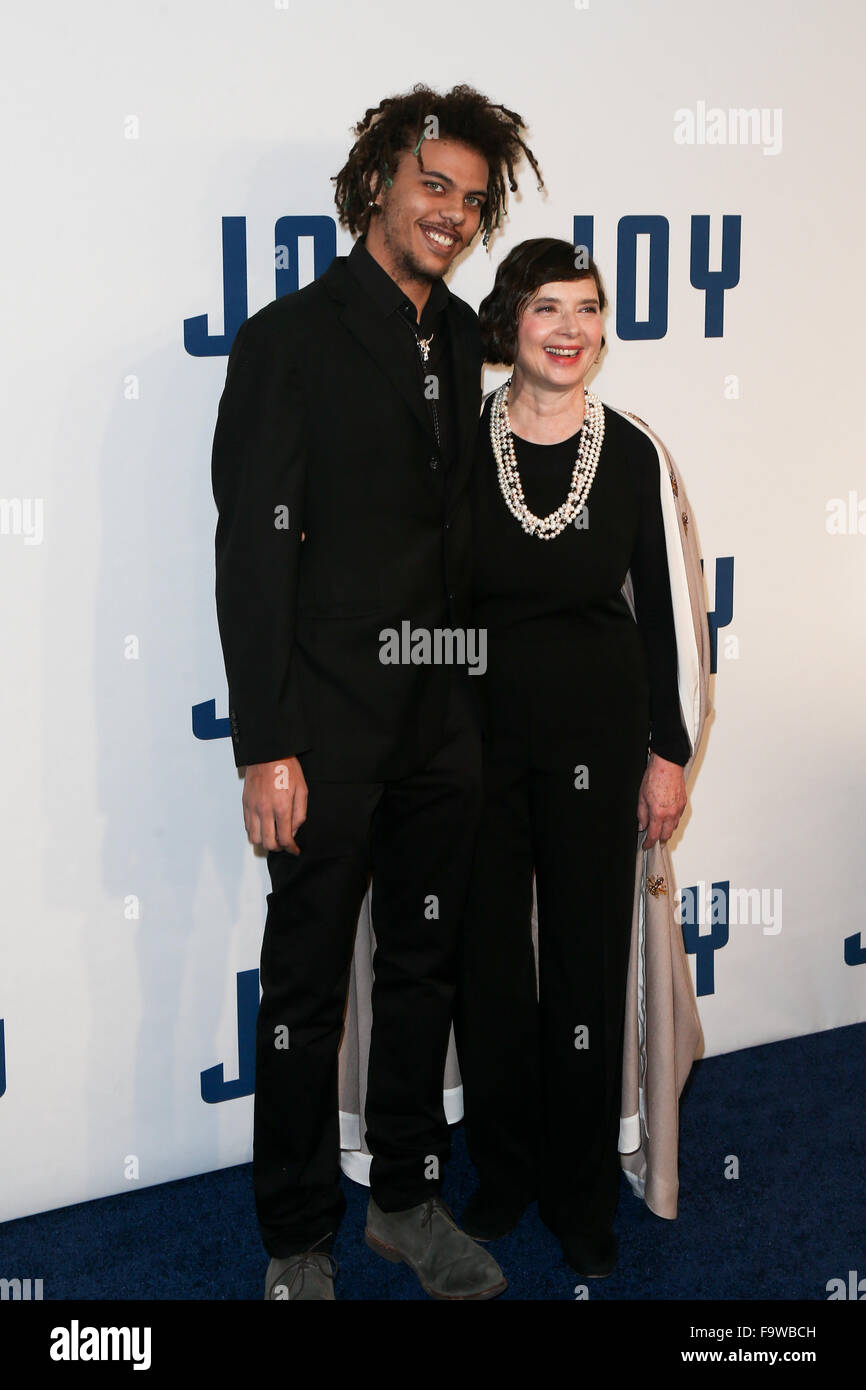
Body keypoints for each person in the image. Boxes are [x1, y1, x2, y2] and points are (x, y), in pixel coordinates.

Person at [210, 84, 542, 1301]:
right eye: (432, 185)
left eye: (469, 195)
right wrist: (267, 742)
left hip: (441, 718)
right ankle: (296, 1237)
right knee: (302, 985)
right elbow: (254, 553)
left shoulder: (462, 340)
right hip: (325, 729)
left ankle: (401, 1196)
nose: (450, 211)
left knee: (424, 968)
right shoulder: (286, 341)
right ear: (377, 187)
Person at [454, 237, 697, 1279]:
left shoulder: (632, 449)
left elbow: (661, 623)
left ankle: (581, 1190)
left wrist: (666, 751)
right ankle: (504, 1173)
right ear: (508, 319)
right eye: (546, 306)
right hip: (473, 751)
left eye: (586, 308)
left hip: (600, 747)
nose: (567, 329)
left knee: (588, 971)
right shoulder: (454, 442)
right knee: (490, 974)